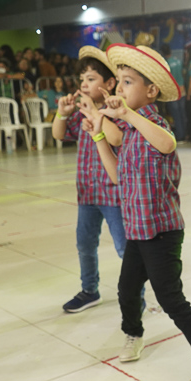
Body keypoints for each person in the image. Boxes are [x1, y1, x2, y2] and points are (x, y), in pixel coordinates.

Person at [79, 43, 191, 381]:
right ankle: (133, 334)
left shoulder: (152, 125)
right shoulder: (131, 133)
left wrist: (126, 115)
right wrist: (98, 135)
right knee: (127, 289)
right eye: (119, 82)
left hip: (162, 232)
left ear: (150, 91)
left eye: (127, 82)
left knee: (171, 298)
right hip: (138, 230)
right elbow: (116, 176)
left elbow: (167, 144)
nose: (119, 89)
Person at [52, 47, 127, 313]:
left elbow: (117, 138)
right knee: (85, 244)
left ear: (110, 83)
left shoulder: (115, 111)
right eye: (82, 78)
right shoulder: (82, 112)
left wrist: (96, 111)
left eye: (91, 78)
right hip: (87, 194)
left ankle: (135, 295)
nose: (84, 83)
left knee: (124, 249)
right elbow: (59, 134)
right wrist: (62, 113)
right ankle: (89, 290)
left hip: (114, 195)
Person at [161, 44, 186, 142]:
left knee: (176, 114)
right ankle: (185, 134)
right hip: (182, 90)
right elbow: (183, 74)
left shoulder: (166, 64)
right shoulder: (178, 61)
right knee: (182, 113)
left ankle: (180, 135)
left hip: (173, 92)